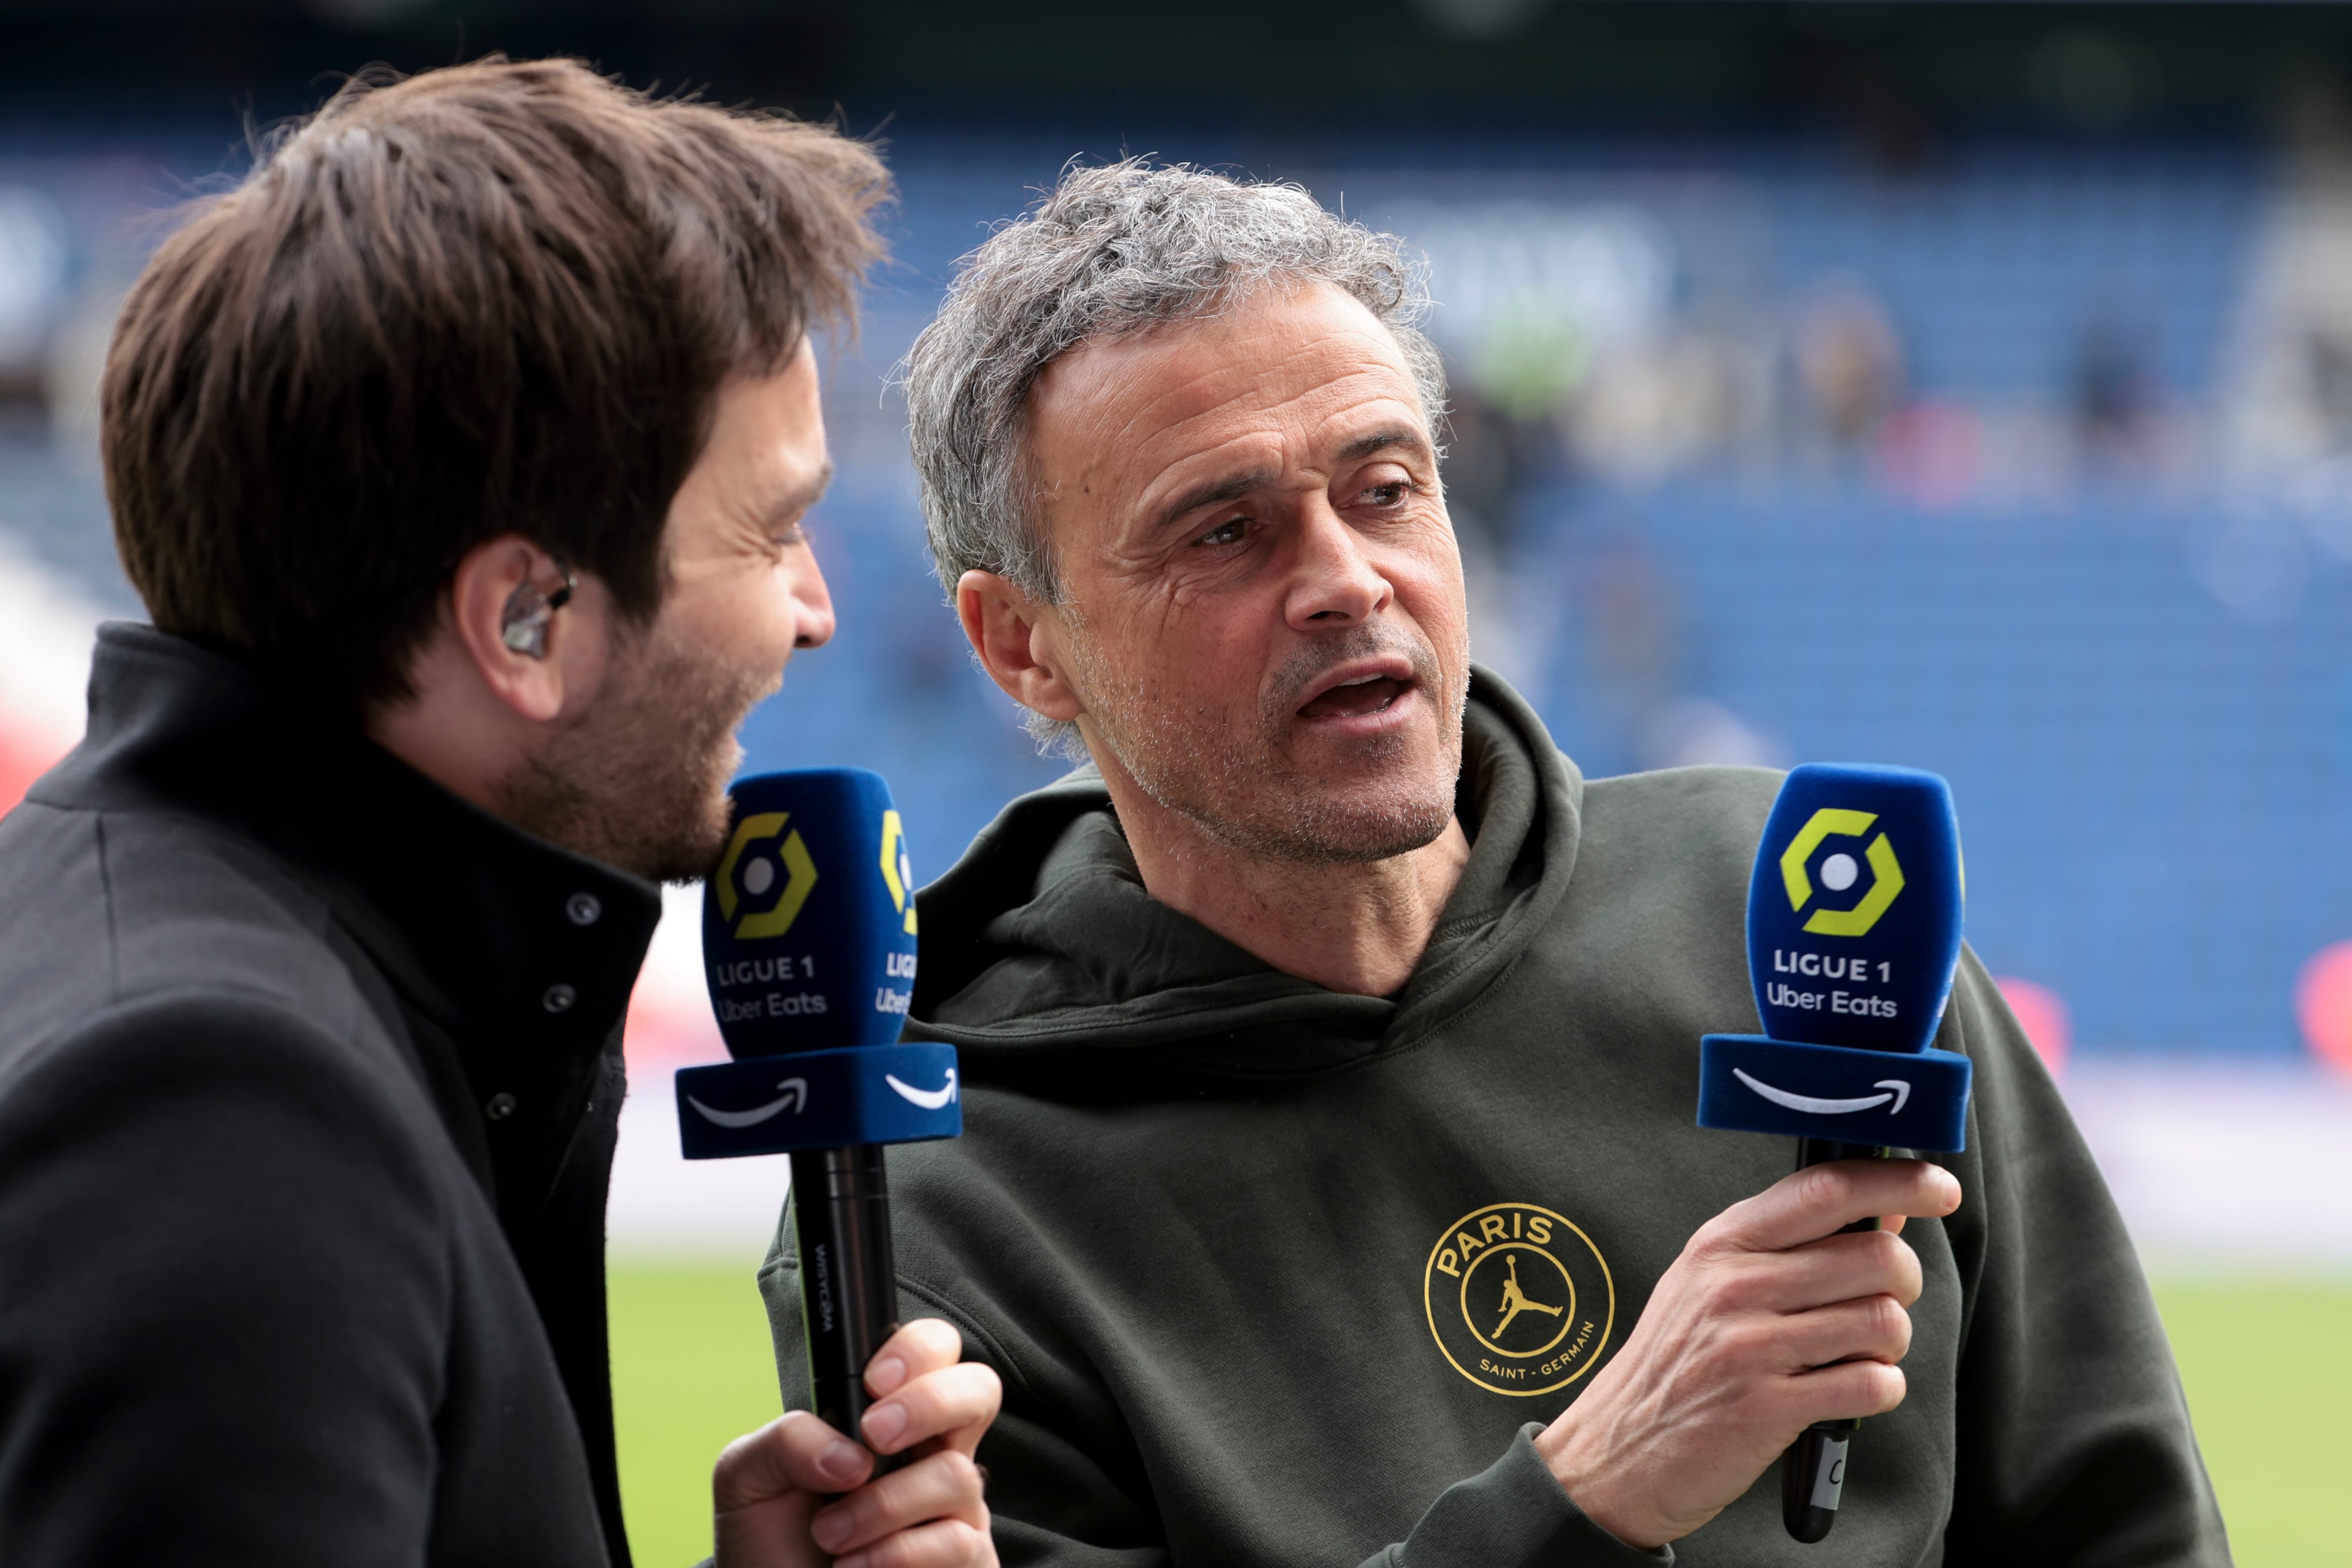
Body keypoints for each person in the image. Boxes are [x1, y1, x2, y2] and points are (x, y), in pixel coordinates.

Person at [757, 162, 2229, 1566]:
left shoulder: (1792, 912)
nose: (1344, 577)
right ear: (1022, 642)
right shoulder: (936, 1207)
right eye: (1224, 529)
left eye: (1385, 487)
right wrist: (1583, 1497)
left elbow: (2124, 1524)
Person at [0, 60, 998, 1567]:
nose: (816, 609)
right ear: (524, 618)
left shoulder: (170, 940)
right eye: (773, 527)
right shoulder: (223, 1105)